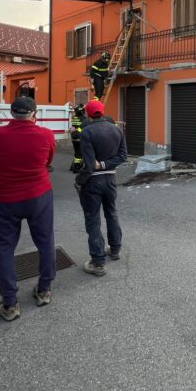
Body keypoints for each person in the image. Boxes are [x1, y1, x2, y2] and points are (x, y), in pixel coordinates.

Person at [0, 96, 57, 321]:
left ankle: (9, 304)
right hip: (39, 195)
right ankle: (44, 290)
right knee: (45, 241)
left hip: (6, 198)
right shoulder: (45, 134)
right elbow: (48, 160)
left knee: (5, 248)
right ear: (34, 114)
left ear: (11, 113)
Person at [76, 100, 128, 276]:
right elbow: (123, 156)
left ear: (89, 114)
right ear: (103, 111)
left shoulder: (87, 132)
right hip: (110, 180)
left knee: (93, 220)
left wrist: (80, 180)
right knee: (111, 214)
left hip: (93, 182)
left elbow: (90, 165)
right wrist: (106, 164)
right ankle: (115, 250)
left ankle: (98, 263)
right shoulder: (116, 129)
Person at [69, 103, 87, 172]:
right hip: (80, 139)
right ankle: (76, 168)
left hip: (74, 138)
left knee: (76, 153)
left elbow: (75, 127)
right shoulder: (84, 119)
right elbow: (82, 128)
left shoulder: (74, 118)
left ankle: (73, 167)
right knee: (79, 154)